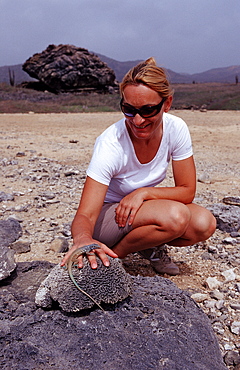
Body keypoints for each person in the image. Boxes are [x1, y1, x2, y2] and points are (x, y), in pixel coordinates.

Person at [61, 57, 216, 276]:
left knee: (204, 223)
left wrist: (142, 193)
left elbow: (187, 191)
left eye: (148, 110)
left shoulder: (176, 128)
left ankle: (124, 252)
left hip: (138, 211)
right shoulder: (111, 143)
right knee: (176, 216)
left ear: (167, 104)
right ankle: (114, 256)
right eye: (129, 109)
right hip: (107, 220)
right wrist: (83, 239)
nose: (137, 121)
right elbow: (85, 214)